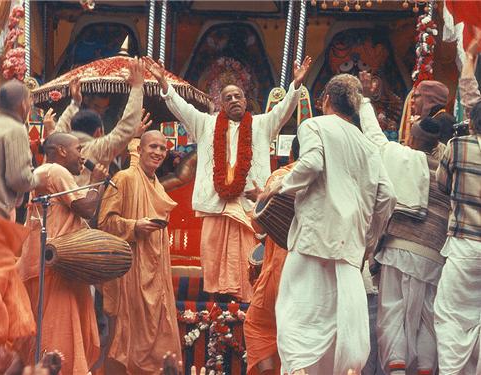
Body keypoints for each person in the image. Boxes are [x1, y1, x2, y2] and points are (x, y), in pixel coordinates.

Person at [148, 56, 312, 302]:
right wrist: (163, 83)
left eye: (238, 96)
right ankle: (220, 316)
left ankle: (246, 312)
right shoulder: (205, 124)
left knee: (249, 268)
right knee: (214, 268)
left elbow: (284, 111)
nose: (234, 100)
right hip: (216, 208)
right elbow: (181, 109)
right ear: (221, 103)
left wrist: (296, 86)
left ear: (246, 101)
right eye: (228, 98)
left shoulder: (262, 125)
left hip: (247, 208)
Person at [265, 74, 397, 374]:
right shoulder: (368, 146)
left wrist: (280, 184)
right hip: (350, 249)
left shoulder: (315, 125)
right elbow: (387, 197)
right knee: (342, 334)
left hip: (313, 240)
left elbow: (311, 164)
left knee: (297, 322)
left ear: (325, 100)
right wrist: (369, 239)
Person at [359, 72, 450, 374]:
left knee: (392, 312)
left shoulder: (399, 157)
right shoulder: (447, 165)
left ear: (414, 139)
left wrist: (362, 99)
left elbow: (373, 137)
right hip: (435, 253)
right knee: (427, 316)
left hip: (398, 248)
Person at [17, 132, 109, 374]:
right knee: (59, 334)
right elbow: (85, 208)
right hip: (55, 264)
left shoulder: (44, 171)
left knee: (47, 328)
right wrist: (97, 181)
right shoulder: (56, 171)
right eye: (78, 149)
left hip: (47, 262)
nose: (82, 156)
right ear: (62, 150)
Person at [98, 130, 181, 375]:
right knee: (126, 336)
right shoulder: (124, 178)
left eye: (162, 149)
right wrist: (134, 226)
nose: (157, 152)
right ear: (140, 149)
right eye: (152, 147)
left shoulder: (158, 187)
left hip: (155, 269)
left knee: (160, 332)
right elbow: (104, 223)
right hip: (130, 270)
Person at [0, 80, 47, 372]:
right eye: (30, 103)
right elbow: (20, 178)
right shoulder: (15, 129)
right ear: (23, 105)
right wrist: (38, 179)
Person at [244, 137, 299, 375]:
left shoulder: (281, 175)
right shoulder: (330, 179)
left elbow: (259, 227)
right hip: (316, 266)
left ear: (292, 155)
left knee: (257, 324)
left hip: (281, 268)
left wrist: (260, 198)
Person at [47, 57, 147, 186]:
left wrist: (75, 103)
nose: (100, 112)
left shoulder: (62, 148)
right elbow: (126, 129)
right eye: (97, 106)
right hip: (85, 204)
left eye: (104, 109)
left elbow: (59, 133)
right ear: (98, 132)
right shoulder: (97, 149)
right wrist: (137, 87)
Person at [434, 101, 481, 374]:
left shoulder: (458, 146)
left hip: (463, 245)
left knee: (450, 316)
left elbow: (443, 185)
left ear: (472, 122)